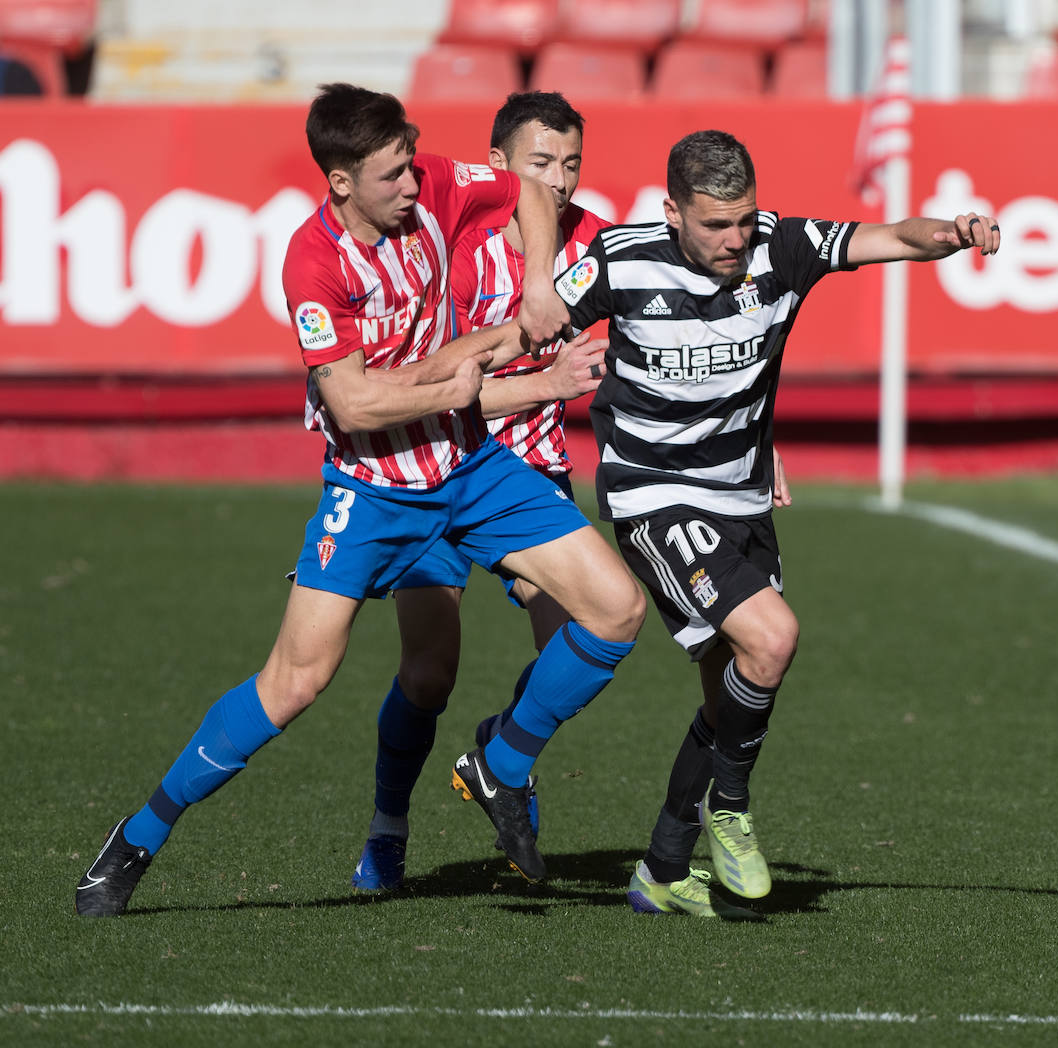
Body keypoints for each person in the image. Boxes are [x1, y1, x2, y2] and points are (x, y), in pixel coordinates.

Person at [75, 83, 645, 917]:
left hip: (473, 470)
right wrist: (460, 374)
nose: (414, 187)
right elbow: (353, 407)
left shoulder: (437, 187)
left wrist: (530, 288)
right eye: (392, 176)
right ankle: (139, 835)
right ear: (341, 182)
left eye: (411, 166)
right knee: (301, 681)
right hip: (375, 492)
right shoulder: (313, 262)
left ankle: (503, 764)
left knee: (617, 609)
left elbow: (524, 190)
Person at [550, 129, 999, 917]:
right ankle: (730, 808)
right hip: (652, 492)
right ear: (672, 213)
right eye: (715, 223)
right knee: (772, 637)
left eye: (744, 220)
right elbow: (533, 321)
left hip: (744, 497)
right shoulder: (621, 259)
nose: (734, 239)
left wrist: (953, 234)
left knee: (730, 699)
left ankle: (661, 869)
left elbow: (894, 235)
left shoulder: (783, 247)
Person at [350, 91, 613, 892]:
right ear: (497, 166)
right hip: (437, 470)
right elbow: (434, 388)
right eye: (541, 164)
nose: (559, 181)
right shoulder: (444, 241)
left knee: (577, 639)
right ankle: (388, 827)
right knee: (429, 675)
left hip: (532, 477)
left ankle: (505, 761)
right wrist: (544, 385)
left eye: (571, 164)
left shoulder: (596, 244)